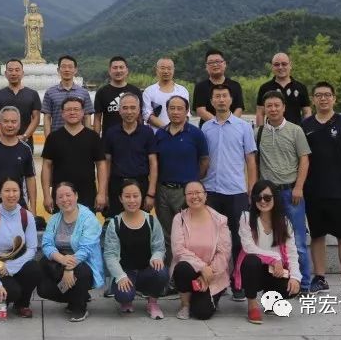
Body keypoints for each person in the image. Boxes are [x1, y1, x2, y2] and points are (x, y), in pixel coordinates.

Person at [301, 81, 341, 299]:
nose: (323, 98)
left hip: (340, 190)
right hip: (313, 191)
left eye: (327, 95)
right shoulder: (305, 125)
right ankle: (320, 278)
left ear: (334, 98)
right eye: (319, 95)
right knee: (317, 235)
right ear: (313, 99)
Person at [201, 83, 257, 301]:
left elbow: (250, 159)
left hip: (236, 191)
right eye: (217, 96)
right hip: (211, 191)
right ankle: (216, 281)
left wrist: (251, 187)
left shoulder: (243, 127)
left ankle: (238, 283)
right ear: (212, 101)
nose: (221, 100)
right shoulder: (206, 128)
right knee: (213, 240)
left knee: (238, 239)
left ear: (231, 100)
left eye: (224, 96)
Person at [255, 91, 312, 292]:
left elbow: (304, 160)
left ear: (284, 107)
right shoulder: (258, 133)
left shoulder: (296, 130)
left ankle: (304, 284)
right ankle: (272, 282)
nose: (273, 109)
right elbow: (253, 162)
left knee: (298, 241)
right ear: (264, 109)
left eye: (276, 105)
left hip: (291, 192)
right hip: (267, 196)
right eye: (269, 106)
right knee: (268, 240)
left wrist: (299, 187)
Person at [154, 95, 209, 273]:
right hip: (163, 190)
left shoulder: (196, 134)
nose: (176, 112)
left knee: (187, 234)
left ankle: (189, 272)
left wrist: (193, 181)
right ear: (167, 110)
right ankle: (170, 275)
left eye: (180, 108)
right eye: (172, 108)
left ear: (187, 111)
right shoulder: (160, 134)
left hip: (186, 193)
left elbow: (204, 161)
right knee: (166, 234)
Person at [234, 180, 301, 324]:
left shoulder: (284, 222)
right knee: (251, 260)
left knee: (292, 289)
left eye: (267, 197)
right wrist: (275, 258)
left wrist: (295, 277)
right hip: (253, 270)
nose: (262, 201)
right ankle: (252, 305)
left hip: (274, 271)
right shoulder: (246, 218)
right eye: (258, 198)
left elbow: (292, 253)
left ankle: (270, 298)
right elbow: (249, 248)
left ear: (275, 198)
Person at [37, 182, 104, 322]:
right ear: (56, 201)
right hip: (61, 262)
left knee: (81, 272)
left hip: (83, 264)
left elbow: (85, 250)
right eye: (60, 197)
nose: (65, 199)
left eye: (68, 195)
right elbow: (47, 244)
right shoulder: (54, 219)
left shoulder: (89, 218)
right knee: (43, 285)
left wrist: (69, 268)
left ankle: (79, 307)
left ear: (76, 196)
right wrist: (61, 259)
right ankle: (77, 296)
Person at [103, 180, 169, 319]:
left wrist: (157, 257)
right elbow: (110, 255)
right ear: (121, 198)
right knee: (124, 295)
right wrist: (120, 276)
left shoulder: (151, 221)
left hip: (146, 271)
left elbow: (159, 247)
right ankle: (127, 300)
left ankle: (152, 302)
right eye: (127, 196)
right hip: (126, 272)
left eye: (135, 196)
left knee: (162, 272)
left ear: (141, 197)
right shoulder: (115, 223)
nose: (132, 200)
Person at [171, 181, 232, 320]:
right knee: (182, 267)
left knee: (202, 313)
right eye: (190, 193)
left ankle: (208, 298)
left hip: (213, 274)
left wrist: (207, 273)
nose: (194, 196)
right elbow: (178, 250)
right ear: (185, 197)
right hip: (190, 271)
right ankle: (185, 304)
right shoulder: (179, 219)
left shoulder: (219, 220)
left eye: (198, 192)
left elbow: (224, 253)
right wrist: (202, 268)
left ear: (205, 195)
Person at [0, 178, 41, 318]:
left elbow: (32, 248)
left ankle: (22, 304)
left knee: (35, 269)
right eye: (7, 191)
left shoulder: (27, 216)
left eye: (15, 190)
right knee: (13, 292)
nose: (11, 194)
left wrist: (11, 267)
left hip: (17, 263)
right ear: (0, 194)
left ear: (20, 193)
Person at [41, 96, 108, 213]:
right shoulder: (53, 137)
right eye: (68, 110)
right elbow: (46, 166)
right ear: (62, 113)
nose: (72, 112)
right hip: (61, 194)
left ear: (83, 112)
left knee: (87, 224)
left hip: (87, 193)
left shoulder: (93, 137)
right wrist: (46, 195)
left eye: (76, 109)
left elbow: (101, 165)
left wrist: (101, 193)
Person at [103, 93, 157, 216]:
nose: (129, 112)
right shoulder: (111, 133)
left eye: (133, 108)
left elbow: (153, 163)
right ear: (119, 110)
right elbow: (107, 164)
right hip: (116, 185)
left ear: (139, 110)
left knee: (140, 222)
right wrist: (104, 193)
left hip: (141, 184)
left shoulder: (147, 133)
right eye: (125, 108)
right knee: (115, 221)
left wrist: (151, 193)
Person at [0, 106, 37, 216]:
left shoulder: (25, 149)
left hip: (20, 206)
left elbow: (30, 178)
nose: (10, 125)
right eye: (5, 121)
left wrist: (33, 207)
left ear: (19, 124)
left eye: (14, 122)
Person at [0, 59, 41, 149]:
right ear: (6, 74)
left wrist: (25, 136)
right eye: (10, 70)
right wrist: (3, 136)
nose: (13, 73)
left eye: (17, 70)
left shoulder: (33, 94)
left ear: (22, 73)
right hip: (2, 142)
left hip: (25, 142)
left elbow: (36, 118)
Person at [41, 55, 93, 136]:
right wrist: (48, 139)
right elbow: (47, 117)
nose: (67, 70)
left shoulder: (84, 92)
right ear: (58, 70)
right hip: (57, 137)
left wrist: (88, 138)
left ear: (75, 70)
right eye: (64, 67)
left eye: (70, 67)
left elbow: (87, 117)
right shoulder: (50, 92)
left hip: (80, 137)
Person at [255, 52, 312, 126]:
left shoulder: (301, 87)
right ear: (272, 67)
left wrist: (306, 130)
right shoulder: (265, 88)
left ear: (290, 65)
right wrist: (260, 131)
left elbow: (307, 112)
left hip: (295, 130)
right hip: (272, 130)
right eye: (276, 64)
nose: (280, 67)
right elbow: (260, 113)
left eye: (284, 64)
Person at [192, 49, 244, 126]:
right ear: (206, 66)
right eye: (211, 62)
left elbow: (239, 108)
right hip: (208, 128)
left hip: (232, 127)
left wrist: (229, 124)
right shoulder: (200, 87)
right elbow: (200, 110)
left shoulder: (235, 85)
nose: (215, 65)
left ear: (224, 64)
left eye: (218, 61)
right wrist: (218, 124)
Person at [93, 56, 142, 136]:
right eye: (115, 68)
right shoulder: (102, 92)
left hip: (132, 137)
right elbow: (97, 119)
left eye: (121, 67)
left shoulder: (135, 91)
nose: (118, 70)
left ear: (127, 70)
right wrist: (96, 139)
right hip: (109, 138)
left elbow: (139, 116)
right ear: (109, 71)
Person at [142, 57, 191, 130]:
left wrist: (176, 130)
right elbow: (147, 114)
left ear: (173, 70)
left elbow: (186, 114)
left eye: (169, 68)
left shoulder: (182, 90)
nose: (166, 71)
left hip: (179, 133)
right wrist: (167, 128)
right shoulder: (149, 91)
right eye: (162, 68)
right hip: (156, 134)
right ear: (156, 70)